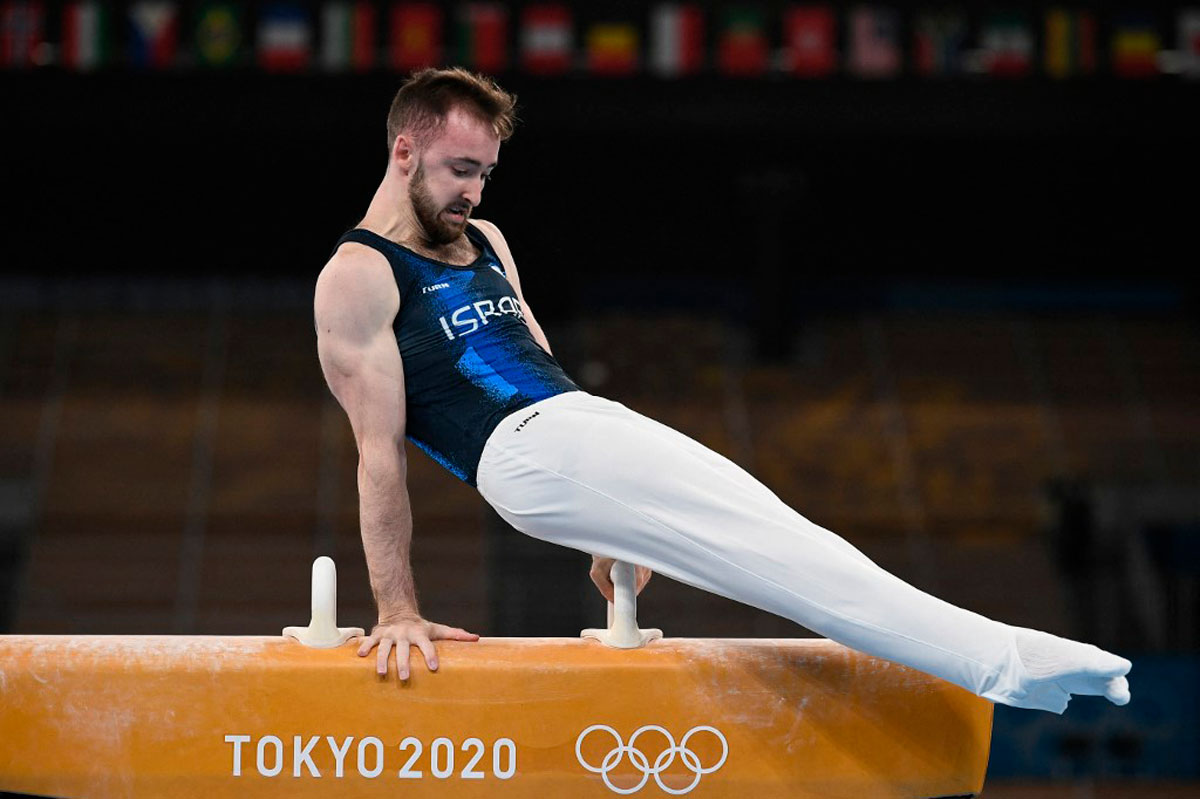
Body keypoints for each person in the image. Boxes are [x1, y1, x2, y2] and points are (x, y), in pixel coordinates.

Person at [313, 67, 1131, 714]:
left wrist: (608, 530)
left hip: (574, 435)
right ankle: (1007, 662)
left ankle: (1011, 664)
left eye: (487, 172)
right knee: (778, 548)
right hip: (521, 454)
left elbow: (544, 365)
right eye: (461, 170)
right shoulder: (358, 276)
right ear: (404, 153)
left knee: (779, 539)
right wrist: (396, 610)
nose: (477, 194)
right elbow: (377, 456)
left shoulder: (486, 239)